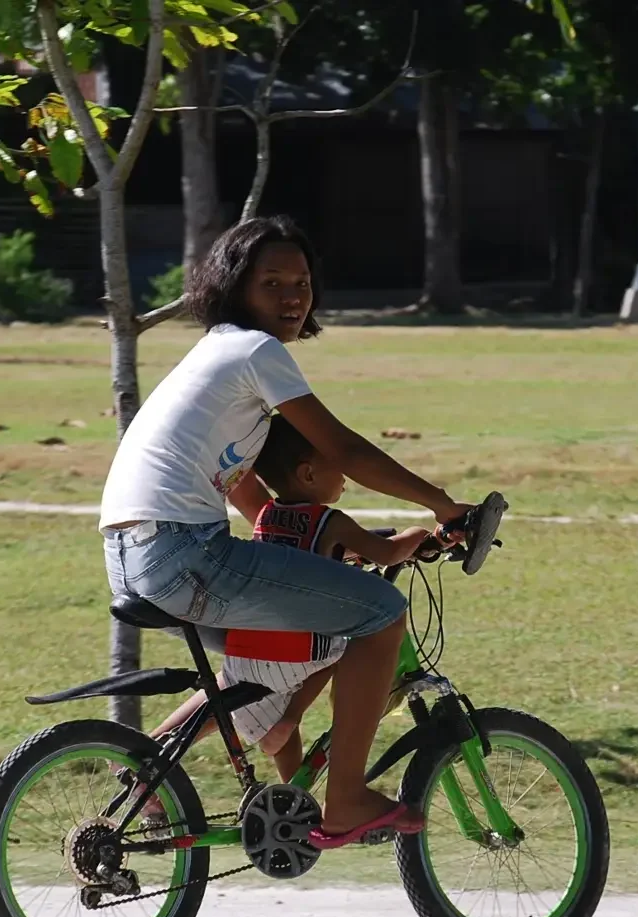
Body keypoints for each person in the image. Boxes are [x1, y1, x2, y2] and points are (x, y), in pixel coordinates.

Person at [99, 215, 473, 847]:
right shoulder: (253, 351)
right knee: (381, 614)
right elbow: (343, 451)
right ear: (233, 288)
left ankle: (156, 768)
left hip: (141, 553)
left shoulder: (216, 356)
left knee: (285, 642)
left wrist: (311, 549)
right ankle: (346, 799)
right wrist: (443, 505)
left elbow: (246, 492)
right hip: (183, 551)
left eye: (301, 282)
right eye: (271, 282)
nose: (293, 296)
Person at [139, 414, 431, 787]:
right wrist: (418, 534)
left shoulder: (266, 515)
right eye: (338, 468)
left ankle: (294, 800)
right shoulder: (332, 521)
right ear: (308, 474)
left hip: (249, 649)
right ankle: (290, 719)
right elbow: (386, 554)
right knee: (349, 646)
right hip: (295, 654)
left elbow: (298, 558)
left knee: (269, 693)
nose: (345, 478)